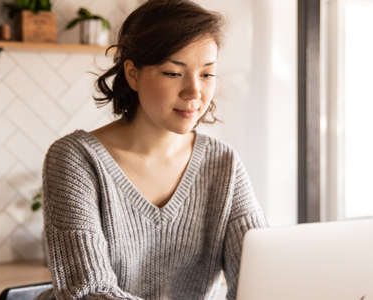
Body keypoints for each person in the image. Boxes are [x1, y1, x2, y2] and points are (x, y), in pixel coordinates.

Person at [34, 0, 269, 299]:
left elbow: (260, 274)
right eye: (173, 73)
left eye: (207, 74)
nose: (194, 92)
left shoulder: (223, 163)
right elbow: (89, 291)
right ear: (133, 74)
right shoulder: (75, 159)